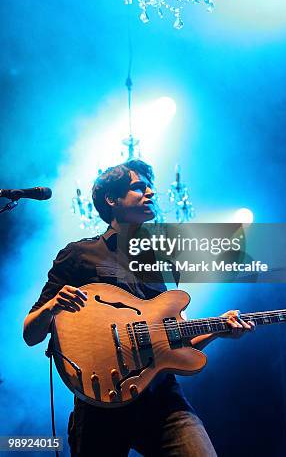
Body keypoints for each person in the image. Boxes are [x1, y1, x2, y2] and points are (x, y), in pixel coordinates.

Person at [23, 159, 254, 456]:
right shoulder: (78, 254)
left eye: (151, 188)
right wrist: (53, 306)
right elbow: (31, 333)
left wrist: (219, 329)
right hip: (100, 398)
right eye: (138, 188)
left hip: (161, 399)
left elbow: (174, 340)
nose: (150, 193)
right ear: (111, 199)